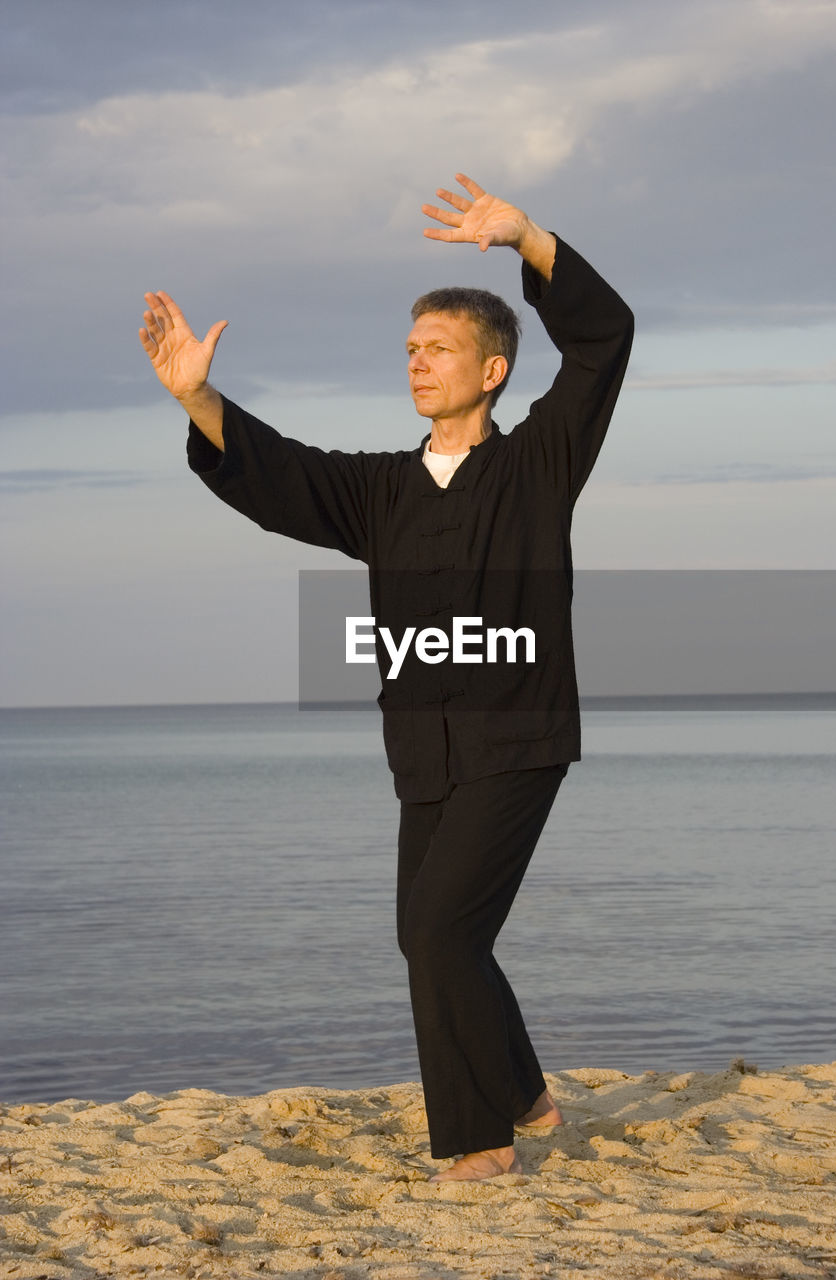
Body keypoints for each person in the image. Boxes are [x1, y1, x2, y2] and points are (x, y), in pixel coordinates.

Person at [139, 173, 633, 1182]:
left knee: (445, 933)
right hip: (423, 750)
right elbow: (277, 475)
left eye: (437, 347)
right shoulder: (378, 489)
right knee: (427, 938)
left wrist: (530, 238)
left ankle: (476, 1146)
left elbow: (604, 340)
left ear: (492, 370)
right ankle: (527, 1092)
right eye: (409, 348)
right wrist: (197, 395)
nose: (415, 363)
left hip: (519, 739)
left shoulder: (540, 462)